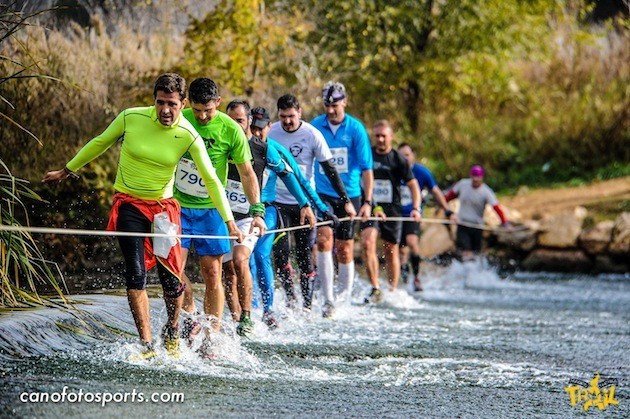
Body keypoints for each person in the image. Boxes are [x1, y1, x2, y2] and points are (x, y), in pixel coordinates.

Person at [42, 73, 238, 359]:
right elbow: (99, 142)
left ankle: (172, 331)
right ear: (154, 101)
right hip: (129, 206)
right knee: (135, 274)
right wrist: (66, 170)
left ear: (183, 104)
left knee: (172, 281)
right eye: (160, 103)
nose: (165, 110)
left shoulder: (188, 134)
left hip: (163, 211)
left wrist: (230, 221)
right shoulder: (130, 118)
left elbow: (210, 179)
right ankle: (146, 345)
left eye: (172, 104)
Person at [226, 101, 335, 329]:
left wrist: (315, 206)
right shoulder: (225, 144)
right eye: (254, 129)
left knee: (261, 255)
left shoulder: (270, 148)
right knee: (236, 265)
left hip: (266, 210)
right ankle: (248, 309)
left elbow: (296, 176)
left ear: (267, 127)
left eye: (260, 128)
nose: (257, 132)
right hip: (231, 212)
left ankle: (267, 310)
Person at [173, 77, 264, 339]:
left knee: (213, 272)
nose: (202, 116)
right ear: (189, 104)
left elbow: (247, 173)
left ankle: (211, 333)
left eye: (208, 111)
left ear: (219, 104)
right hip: (178, 206)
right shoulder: (180, 118)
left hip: (212, 210)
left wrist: (257, 211)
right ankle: (189, 312)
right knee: (173, 270)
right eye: (198, 110)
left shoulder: (230, 129)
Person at [269, 94, 353, 311]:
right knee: (280, 253)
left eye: (291, 116)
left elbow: (330, 169)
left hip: (304, 204)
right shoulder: (272, 132)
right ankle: (290, 299)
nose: (287, 121)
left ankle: (306, 305)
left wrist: (345, 201)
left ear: (300, 113)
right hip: (278, 202)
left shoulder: (312, 134)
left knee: (304, 255)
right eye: (283, 117)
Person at [311, 81, 373, 317]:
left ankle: (344, 297)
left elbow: (367, 169)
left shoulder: (356, 129)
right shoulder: (316, 126)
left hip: (350, 195)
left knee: (345, 249)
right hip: (323, 193)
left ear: (344, 102)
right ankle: (328, 300)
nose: (330, 110)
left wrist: (367, 202)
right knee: (324, 240)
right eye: (327, 105)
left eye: (334, 105)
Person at [360, 120, 422, 303]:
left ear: (391, 137)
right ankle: (375, 287)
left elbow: (413, 185)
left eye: (383, 136)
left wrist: (416, 208)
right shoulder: (367, 155)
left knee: (391, 250)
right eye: (377, 135)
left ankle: (392, 290)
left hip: (393, 209)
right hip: (370, 206)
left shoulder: (398, 159)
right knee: (367, 242)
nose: (380, 139)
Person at [397, 143, 452, 292]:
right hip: (395, 217)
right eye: (401, 156)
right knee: (401, 252)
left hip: (413, 215)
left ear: (413, 155)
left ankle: (416, 277)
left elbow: (435, 191)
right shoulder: (393, 170)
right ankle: (403, 283)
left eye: (407, 155)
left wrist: (447, 210)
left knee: (412, 242)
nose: (404, 159)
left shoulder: (422, 172)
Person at [444, 164, 510, 261]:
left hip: (477, 226)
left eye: (478, 177)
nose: (475, 179)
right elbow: (447, 198)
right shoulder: (462, 184)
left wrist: (505, 223)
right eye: (473, 176)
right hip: (463, 224)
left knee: (476, 255)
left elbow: (496, 208)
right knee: (466, 253)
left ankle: (475, 274)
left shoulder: (486, 192)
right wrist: (446, 210)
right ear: (470, 176)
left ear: (482, 177)